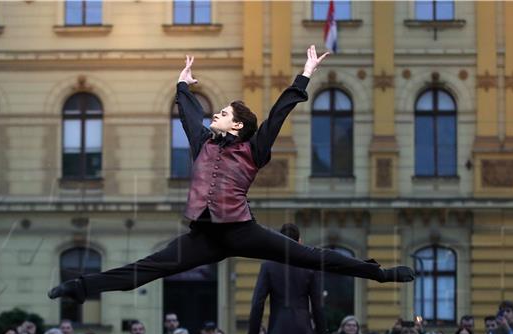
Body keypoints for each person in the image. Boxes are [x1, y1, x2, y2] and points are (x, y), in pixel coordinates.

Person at [48, 47, 414, 306]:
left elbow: (278, 115)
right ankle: (78, 287)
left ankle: (380, 274)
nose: (216, 115)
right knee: (147, 269)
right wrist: (182, 86)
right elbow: (189, 115)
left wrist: (305, 75)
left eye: (222, 112)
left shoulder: (254, 149)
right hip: (204, 237)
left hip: (242, 231)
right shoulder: (203, 142)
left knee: (309, 256)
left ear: (237, 124)